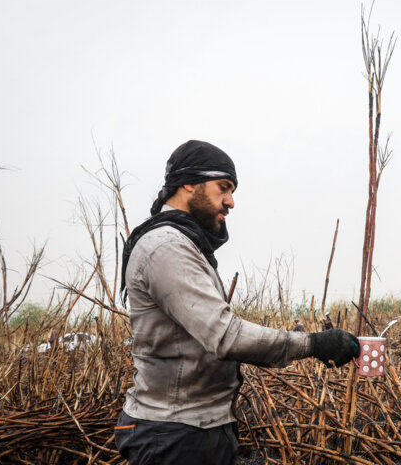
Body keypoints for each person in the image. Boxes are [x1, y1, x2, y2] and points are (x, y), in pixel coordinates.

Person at [114, 140, 359, 465]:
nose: (230, 201)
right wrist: (313, 344)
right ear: (189, 183)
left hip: (195, 429)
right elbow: (225, 336)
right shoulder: (166, 248)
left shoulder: (184, 244)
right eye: (223, 187)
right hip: (171, 434)